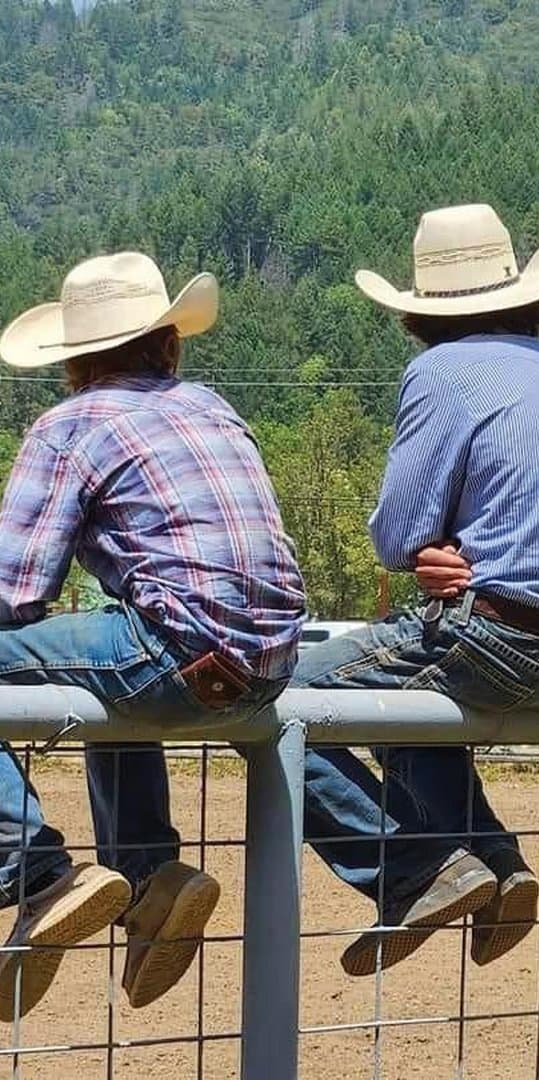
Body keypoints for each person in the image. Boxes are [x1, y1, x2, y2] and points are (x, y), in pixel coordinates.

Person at [295, 204, 539, 977]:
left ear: (421, 313)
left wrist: (432, 549)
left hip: (491, 635)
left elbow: (393, 532)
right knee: (409, 709)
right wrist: (465, 549)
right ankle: (495, 863)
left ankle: (408, 868)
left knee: (282, 703)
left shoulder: (439, 373)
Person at [0, 253, 306, 1021]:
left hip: (177, 649)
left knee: (126, 651)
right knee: (116, 662)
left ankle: (37, 871)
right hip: (270, 663)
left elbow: (16, 589)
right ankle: (145, 877)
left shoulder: (68, 427)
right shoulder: (211, 406)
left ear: (72, 357)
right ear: (168, 341)